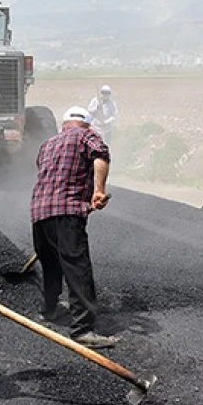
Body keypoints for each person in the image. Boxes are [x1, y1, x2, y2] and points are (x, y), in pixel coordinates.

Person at [29, 105, 118, 349]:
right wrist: (98, 190)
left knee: (51, 265)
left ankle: (49, 309)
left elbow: (44, 170)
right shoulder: (86, 136)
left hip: (39, 212)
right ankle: (82, 330)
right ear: (87, 124)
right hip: (67, 213)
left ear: (63, 125)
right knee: (78, 268)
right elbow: (100, 154)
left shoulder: (47, 144)